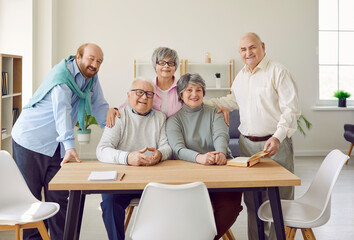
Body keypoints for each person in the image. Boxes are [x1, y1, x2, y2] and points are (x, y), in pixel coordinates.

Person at [204, 32, 301, 240]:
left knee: (279, 203)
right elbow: (233, 101)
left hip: (275, 145)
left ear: (262, 46)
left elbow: (291, 110)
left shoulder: (278, 71)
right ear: (239, 53)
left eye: (252, 47)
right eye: (243, 49)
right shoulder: (241, 76)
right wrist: (199, 102)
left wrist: (278, 136)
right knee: (253, 202)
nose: (248, 53)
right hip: (247, 147)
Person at [11, 43, 110, 240]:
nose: (95, 65)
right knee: (32, 200)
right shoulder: (61, 77)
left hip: (55, 145)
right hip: (30, 140)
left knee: (60, 199)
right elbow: (62, 111)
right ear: (78, 56)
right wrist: (70, 146)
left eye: (99, 61)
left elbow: (99, 105)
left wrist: (114, 128)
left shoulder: (90, 79)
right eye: (91, 59)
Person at [166, 73, 243, 240]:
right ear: (181, 94)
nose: (194, 94)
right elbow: (178, 149)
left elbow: (220, 135)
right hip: (189, 175)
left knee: (231, 205)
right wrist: (199, 157)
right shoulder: (174, 120)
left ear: (203, 93)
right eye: (189, 90)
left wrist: (221, 153)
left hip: (219, 169)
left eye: (198, 90)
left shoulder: (215, 112)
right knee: (189, 208)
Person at [96, 78, 172, 240]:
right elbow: (102, 150)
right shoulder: (118, 116)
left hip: (152, 181)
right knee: (109, 204)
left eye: (149, 94)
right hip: (122, 181)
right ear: (128, 95)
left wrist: (159, 154)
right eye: (139, 93)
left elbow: (167, 146)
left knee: (173, 200)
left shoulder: (160, 118)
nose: (144, 97)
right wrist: (127, 157)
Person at [105, 47, 182, 128]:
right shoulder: (147, 86)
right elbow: (128, 104)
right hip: (151, 133)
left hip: (176, 133)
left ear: (175, 67)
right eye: (162, 62)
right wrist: (113, 110)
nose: (166, 66)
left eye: (171, 63)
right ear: (155, 65)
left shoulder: (183, 87)